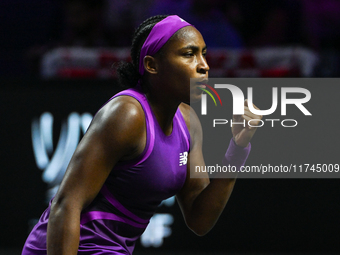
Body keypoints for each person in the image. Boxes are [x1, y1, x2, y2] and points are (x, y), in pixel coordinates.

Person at [22, 15, 262, 254]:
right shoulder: (126, 115)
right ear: (151, 65)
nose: (204, 65)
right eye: (189, 54)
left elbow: (199, 220)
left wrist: (237, 150)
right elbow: (67, 204)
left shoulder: (189, 123)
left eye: (203, 54)